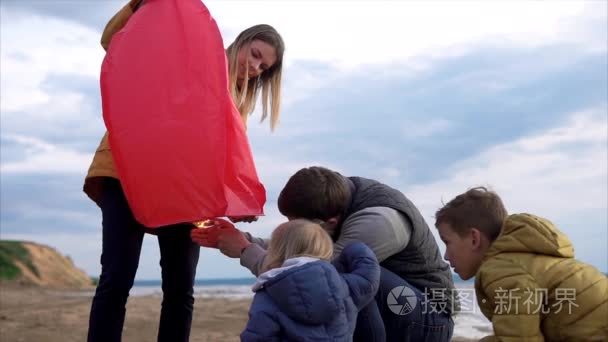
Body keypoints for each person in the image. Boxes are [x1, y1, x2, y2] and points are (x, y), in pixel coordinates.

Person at [84, 1, 285, 341]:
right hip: (128, 172)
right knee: (117, 277)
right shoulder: (186, 51)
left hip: (185, 193)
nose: (254, 67)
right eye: (253, 54)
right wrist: (143, 4)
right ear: (239, 42)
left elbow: (223, 160)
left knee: (180, 287)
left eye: (263, 67)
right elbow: (114, 42)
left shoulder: (238, 105)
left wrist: (236, 202)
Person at [194, 166, 457, 342]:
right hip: (392, 307)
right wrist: (239, 239)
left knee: (344, 278)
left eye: (296, 223)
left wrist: (244, 251)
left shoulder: (378, 223)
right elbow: (298, 248)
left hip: (428, 320)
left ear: (329, 222)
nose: (290, 228)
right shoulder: (334, 198)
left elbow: (313, 278)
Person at [435, 187, 608, 342]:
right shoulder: (527, 258)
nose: (446, 256)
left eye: (447, 242)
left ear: (474, 239)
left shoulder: (498, 269)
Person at [229, 219, 380, 341]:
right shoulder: (344, 285)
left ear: (275, 252)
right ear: (326, 250)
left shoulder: (269, 295)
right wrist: (355, 248)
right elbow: (368, 277)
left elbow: (258, 337)